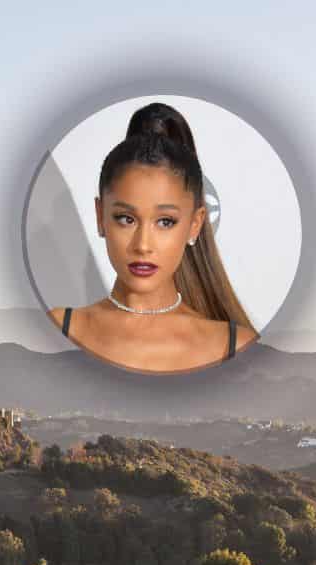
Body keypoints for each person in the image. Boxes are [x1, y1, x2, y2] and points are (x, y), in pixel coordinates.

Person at [48, 102, 258, 373]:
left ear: (195, 225)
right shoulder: (60, 327)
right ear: (101, 217)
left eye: (165, 222)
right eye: (126, 219)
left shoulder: (236, 344)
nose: (143, 245)